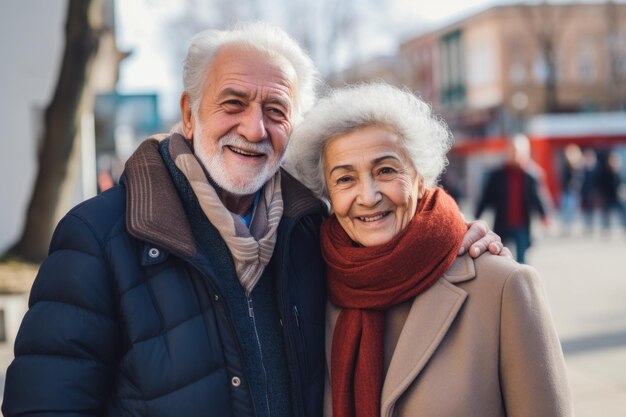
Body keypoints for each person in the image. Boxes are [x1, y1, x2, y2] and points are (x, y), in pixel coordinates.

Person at [2, 23, 505, 417]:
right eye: (233, 103)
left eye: (276, 110)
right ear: (190, 113)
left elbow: (392, 244)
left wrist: (453, 238)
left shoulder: (314, 231)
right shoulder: (98, 237)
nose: (254, 127)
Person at [284, 83, 572, 417]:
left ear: (421, 177)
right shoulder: (313, 288)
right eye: (345, 179)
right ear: (328, 193)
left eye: (386, 170)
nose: (368, 195)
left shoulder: (504, 286)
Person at [474, 134, 551, 263]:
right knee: (501, 258)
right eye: (512, 150)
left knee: (522, 260)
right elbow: (487, 196)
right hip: (502, 223)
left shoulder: (532, 175)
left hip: (523, 224)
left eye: (518, 151)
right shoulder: (497, 174)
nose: (515, 154)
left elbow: (539, 197)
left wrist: (545, 216)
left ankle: (520, 282)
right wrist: (478, 214)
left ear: (525, 153)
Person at [559, 143, 584, 234]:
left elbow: (580, 179)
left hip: (574, 191)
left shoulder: (578, 166)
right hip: (566, 190)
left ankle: (570, 226)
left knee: (572, 209)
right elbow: (563, 178)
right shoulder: (566, 165)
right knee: (565, 209)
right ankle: (566, 226)